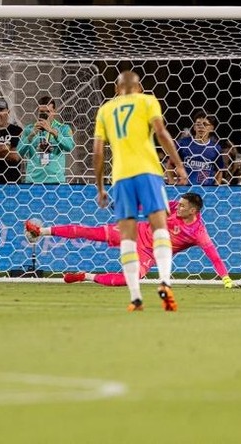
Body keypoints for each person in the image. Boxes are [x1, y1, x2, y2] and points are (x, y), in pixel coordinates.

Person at [93, 70, 188, 312]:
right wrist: (177, 164)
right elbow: (161, 132)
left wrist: (101, 187)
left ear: (116, 90)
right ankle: (165, 282)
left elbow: (98, 151)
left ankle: (135, 297)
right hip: (148, 173)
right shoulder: (147, 101)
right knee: (160, 228)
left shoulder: (105, 111)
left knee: (127, 238)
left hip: (121, 178)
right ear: (139, 87)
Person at [25, 192, 233, 288]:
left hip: (149, 253)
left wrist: (226, 279)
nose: (177, 207)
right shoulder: (172, 207)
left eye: (182, 206)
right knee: (89, 232)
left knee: (130, 280)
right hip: (135, 230)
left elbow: (213, 256)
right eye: (178, 204)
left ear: (193, 211)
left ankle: (85, 276)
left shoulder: (198, 232)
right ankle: (40, 231)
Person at [18, 95, 74, 183]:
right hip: (33, 181)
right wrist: (31, 135)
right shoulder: (29, 129)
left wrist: (53, 132)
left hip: (55, 181)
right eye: (41, 112)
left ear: (54, 112)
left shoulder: (63, 128)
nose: (45, 114)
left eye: (48, 111)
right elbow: (19, 153)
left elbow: (70, 147)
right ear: (37, 112)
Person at [175, 110, 223, 186]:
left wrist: (216, 187)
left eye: (205, 124)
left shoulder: (215, 148)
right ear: (194, 127)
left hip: (206, 189)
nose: (201, 127)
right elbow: (170, 164)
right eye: (198, 124)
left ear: (211, 128)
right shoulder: (183, 143)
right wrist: (171, 182)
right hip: (185, 189)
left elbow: (220, 170)